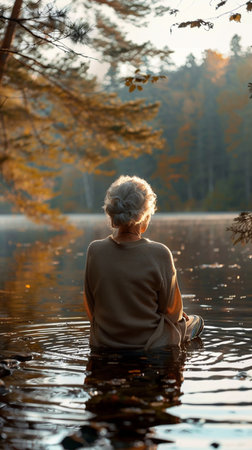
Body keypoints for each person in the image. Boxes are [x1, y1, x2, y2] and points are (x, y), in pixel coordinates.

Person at [84, 175, 204, 350]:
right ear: (144, 216)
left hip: (104, 343)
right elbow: (172, 313)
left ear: (112, 214)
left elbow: (90, 308)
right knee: (195, 321)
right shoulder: (160, 253)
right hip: (151, 345)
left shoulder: (94, 251)